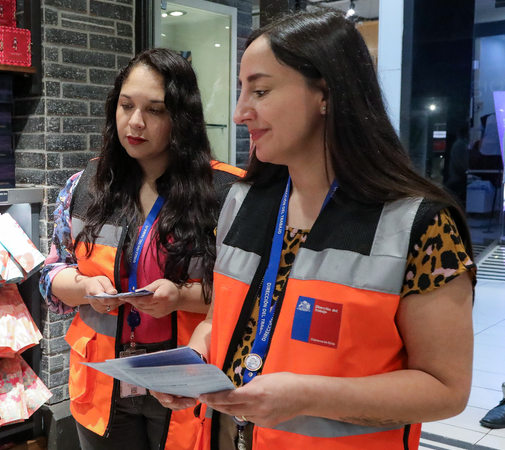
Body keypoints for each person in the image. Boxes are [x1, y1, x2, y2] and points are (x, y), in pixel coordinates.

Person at [151, 9, 476, 450]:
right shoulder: (242, 202)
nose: (241, 112)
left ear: (325, 93)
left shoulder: (419, 225)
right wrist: (194, 360)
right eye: (241, 90)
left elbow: (446, 388)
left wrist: (308, 396)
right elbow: (217, 321)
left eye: (260, 91)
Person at [39, 48, 244, 450]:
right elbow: (51, 273)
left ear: (181, 117)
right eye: (126, 105)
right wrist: (85, 288)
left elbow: (246, 296)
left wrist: (180, 296)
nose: (135, 122)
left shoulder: (227, 192)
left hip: (186, 382)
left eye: (155, 110)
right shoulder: (86, 185)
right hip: (103, 381)